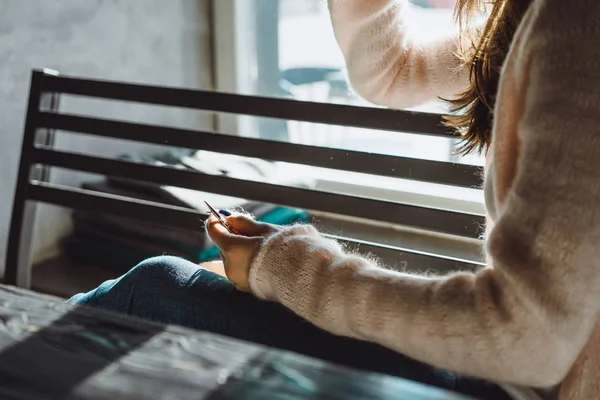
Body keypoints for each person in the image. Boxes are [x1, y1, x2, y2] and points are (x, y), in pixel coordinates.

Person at [69, 0, 600, 399]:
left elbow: (524, 334)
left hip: (533, 386)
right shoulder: (532, 17)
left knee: (154, 288)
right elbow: (393, 67)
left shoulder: (575, 23)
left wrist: (283, 266)